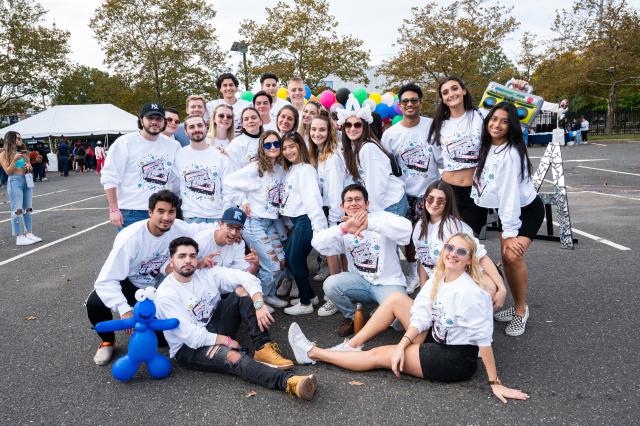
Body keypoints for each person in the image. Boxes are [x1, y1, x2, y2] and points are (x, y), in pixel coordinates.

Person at [288, 233, 530, 404]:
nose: (453, 254)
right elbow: (422, 314)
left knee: (380, 355)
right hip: (435, 338)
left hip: (454, 358)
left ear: (469, 260)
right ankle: (349, 347)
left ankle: (312, 354)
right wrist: (404, 343)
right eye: (449, 248)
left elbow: (484, 341)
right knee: (395, 303)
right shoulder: (439, 276)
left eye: (461, 252)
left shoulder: (472, 293)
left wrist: (494, 382)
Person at [155, 236, 317, 400]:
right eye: (181, 256)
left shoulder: (205, 273)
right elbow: (192, 337)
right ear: (171, 260)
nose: (188, 260)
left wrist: (259, 305)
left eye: (192, 256)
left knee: (242, 291)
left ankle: (263, 347)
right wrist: (226, 341)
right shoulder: (167, 294)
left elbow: (246, 278)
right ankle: (289, 382)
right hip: (189, 348)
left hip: (214, 325)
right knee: (234, 357)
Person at [86, 190, 216, 366]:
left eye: (171, 212)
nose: (166, 217)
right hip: (131, 284)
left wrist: (226, 229)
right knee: (95, 302)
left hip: (158, 287)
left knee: (162, 339)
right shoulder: (130, 238)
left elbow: (202, 229)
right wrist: (125, 310)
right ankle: (108, 341)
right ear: (150, 212)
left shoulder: (178, 227)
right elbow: (105, 281)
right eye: (160, 211)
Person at [472, 101, 544, 336]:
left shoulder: (511, 153)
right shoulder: (488, 146)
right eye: (494, 119)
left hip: (525, 210)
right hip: (508, 211)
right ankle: (516, 306)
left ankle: (521, 310)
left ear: (511, 126)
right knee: (506, 257)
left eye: (504, 121)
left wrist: (511, 232)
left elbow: (510, 195)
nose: (497, 124)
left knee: (512, 256)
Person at [312, 184, 412, 337]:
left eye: (358, 199)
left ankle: (382, 312)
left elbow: (406, 231)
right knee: (330, 284)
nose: (353, 203)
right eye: (349, 200)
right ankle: (353, 317)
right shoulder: (343, 228)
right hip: (359, 282)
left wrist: (369, 224)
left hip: (388, 283)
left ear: (367, 204)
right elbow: (318, 244)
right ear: (342, 206)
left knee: (401, 320)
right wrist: (343, 229)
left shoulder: (381, 217)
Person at [381, 83, 439, 291]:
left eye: (414, 100)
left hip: (430, 192)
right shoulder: (390, 134)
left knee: (430, 236)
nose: (410, 104)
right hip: (404, 195)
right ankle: (413, 272)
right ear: (399, 105)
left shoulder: (432, 127)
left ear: (421, 102)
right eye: (405, 101)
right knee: (409, 238)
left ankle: (433, 274)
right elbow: (386, 167)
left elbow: (442, 159)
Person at [413, 180, 505, 307]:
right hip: (442, 280)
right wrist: (423, 294)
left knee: (477, 301)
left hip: (473, 275)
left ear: (448, 203)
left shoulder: (453, 227)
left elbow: (481, 257)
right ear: (424, 200)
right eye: (430, 199)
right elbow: (423, 263)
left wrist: (501, 289)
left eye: (440, 201)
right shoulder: (419, 227)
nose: (434, 204)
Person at [224, 131, 287, 312]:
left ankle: (270, 294)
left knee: (281, 261)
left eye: (276, 144)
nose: (273, 147)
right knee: (272, 263)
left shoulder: (281, 168)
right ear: (262, 147)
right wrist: (243, 201)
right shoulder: (256, 168)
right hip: (254, 223)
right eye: (268, 145)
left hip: (270, 222)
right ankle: (262, 298)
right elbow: (228, 182)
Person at [100, 102, 181, 229]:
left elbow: (178, 177)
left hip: (162, 211)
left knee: (162, 249)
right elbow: (109, 177)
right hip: (131, 211)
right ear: (141, 120)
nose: (154, 122)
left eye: (159, 119)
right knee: (133, 249)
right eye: (150, 118)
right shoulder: (125, 143)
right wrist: (113, 209)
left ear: (163, 122)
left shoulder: (173, 146)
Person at [279, 132, 327, 315]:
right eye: (284, 148)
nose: (288, 151)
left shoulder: (306, 169)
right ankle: (310, 295)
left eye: (292, 146)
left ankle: (306, 304)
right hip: (296, 220)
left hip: (306, 219)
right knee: (290, 260)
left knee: (295, 260)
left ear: (300, 146)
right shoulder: (292, 169)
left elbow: (313, 199)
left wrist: (318, 227)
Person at [339, 95, 407, 215]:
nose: (352, 128)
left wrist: (373, 215)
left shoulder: (368, 148)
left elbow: (376, 185)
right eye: (348, 125)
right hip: (382, 205)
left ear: (364, 127)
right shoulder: (355, 149)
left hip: (390, 204)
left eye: (357, 125)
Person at [308, 111, 347, 315]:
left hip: (335, 212)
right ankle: (342, 293)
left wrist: (333, 221)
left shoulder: (332, 157)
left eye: (322, 129)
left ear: (330, 131)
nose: (317, 133)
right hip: (330, 210)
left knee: (333, 253)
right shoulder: (320, 153)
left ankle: (336, 298)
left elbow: (335, 192)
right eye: (313, 129)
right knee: (337, 254)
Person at [172, 114, 229, 223]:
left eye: (199, 125)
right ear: (185, 131)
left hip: (218, 217)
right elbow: (174, 186)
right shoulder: (179, 155)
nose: (196, 129)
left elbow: (227, 189)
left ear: (206, 127)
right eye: (191, 127)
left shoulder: (219, 155)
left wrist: (225, 215)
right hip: (191, 217)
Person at [0, 131, 42, 245]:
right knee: (17, 210)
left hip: (26, 180)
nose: (20, 140)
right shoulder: (3, 154)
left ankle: (29, 233)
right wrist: (14, 160)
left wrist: (29, 166)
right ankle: (19, 236)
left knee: (28, 208)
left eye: (20, 138)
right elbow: (8, 171)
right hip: (15, 181)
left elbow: (31, 168)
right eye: (18, 138)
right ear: (12, 140)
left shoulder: (24, 152)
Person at [193, 207, 259, 274]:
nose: (233, 232)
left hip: (222, 283)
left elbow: (244, 274)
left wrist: (254, 266)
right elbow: (183, 267)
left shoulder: (238, 243)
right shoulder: (202, 239)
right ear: (220, 224)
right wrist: (198, 264)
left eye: (238, 228)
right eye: (230, 226)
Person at [225, 107, 263, 171]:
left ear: (260, 122)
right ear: (243, 125)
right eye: (246, 119)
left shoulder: (268, 139)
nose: (250, 121)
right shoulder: (237, 143)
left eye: (253, 118)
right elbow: (231, 168)